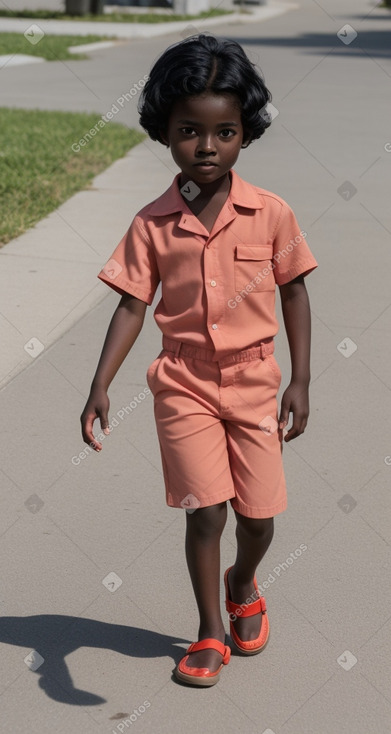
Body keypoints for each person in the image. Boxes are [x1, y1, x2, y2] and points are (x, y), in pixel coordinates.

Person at [80, 34, 318, 687]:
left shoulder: (270, 214)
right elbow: (131, 305)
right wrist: (100, 383)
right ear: (164, 131)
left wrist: (299, 378)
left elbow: (294, 290)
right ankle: (208, 629)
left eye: (224, 131)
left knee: (258, 517)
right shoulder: (150, 224)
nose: (206, 146)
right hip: (182, 382)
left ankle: (243, 583)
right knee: (205, 510)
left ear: (246, 133)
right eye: (189, 131)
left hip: (253, 378)